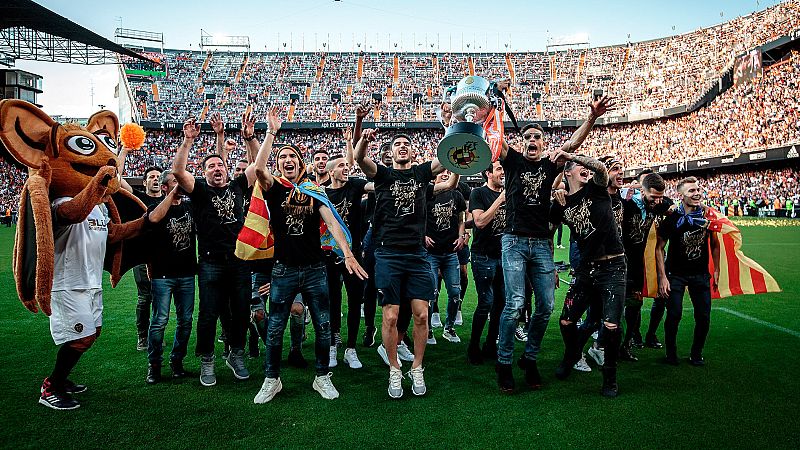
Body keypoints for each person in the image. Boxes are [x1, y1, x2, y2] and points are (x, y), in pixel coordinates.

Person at [495, 95, 615, 393]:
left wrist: (592, 118)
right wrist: (492, 111)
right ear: (521, 142)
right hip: (514, 241)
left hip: (542, 244)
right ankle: (504, 362)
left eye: (537, 136)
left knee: (546, 305)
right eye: (527, 137)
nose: (532, 140)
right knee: (514, 304)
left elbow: (572, 145)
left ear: (543, 142)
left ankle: (530, 358)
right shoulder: (511, 160)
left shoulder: (551, 164)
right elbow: (495, 139)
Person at [252, 106, 367, 403]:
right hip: (284, 269)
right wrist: (271, 133)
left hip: (315, 268)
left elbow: (331, 221)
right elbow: (259, 169)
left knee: (324, 324)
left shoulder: (314, 190)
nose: (287, 160)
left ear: (301, 164)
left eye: (292, 157)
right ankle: (271, 378)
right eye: (282, 158)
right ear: (279, 166)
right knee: (276, 327)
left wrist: (348, 253)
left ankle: (321, 377)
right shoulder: (274, 188)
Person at [353, 129, 457, 399]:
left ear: (412, 152)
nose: (402, 147)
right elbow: (359, 158)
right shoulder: (384, 176)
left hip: (417, 255)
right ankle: (395, 370)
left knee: (422, 314)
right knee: (390, 316)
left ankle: (418, 367)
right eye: (397, 144)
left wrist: (453, 129)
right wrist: (363, 136)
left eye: (406, 144)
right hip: (387, 254)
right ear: (390, 153)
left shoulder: (422, 174)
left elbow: (447, 160)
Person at [172, 116, 256, 387]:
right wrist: (188, 141)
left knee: (242, 311)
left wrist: (249, 138)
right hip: (210, 263)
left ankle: (236, 353)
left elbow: (258, 165)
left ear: (227, 169)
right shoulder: (199, 191)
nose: (216, 168)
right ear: (204, 172)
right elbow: (177, 171)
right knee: (208, 313)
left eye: (220, 164)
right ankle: (207, 360)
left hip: (240, 261)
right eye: (211, 166)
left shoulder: (238, 186)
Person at [550, 152, 626, 397]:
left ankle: (610, 376)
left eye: (586, 166)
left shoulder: (596, 188)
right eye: (578, 167)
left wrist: (573, 155)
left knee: (611, 325)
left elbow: (601, 169)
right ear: (567, 173)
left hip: (613, 266)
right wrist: (555, 193)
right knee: (566, 321)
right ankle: (572, 355)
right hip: (586, 268)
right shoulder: (561, 203)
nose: (585, 169)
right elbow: (547, 230)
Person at [656, 177, 720, 366]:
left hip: (700, 274)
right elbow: (659, 247)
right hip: (675, 274)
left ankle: (696, 353)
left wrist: (716, 269)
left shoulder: (708, 215)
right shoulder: (673, 218)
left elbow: (715, 244)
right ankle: (671, 352)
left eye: (698, 189)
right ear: (681, 195)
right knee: (674, 314)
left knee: (704, 316)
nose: (697, 193)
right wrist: (662, 277)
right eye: (691, 191)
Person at [144, 170, 197, 384]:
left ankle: (177, 361)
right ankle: (154, 364)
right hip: (162, 275)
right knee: (160, 321)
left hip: (186, 273)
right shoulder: (155, 208)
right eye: (175, 182)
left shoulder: (189, 207)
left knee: (185, 321)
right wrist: (172, 194)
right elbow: (155, 218)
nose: (180, 185)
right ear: (165, 187)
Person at [324, 153, 374, 369]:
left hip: (353, 254)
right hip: (329, 256)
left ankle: (351, 349)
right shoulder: (322, 194)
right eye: (341, 166)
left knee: (355, 300)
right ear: (330, 172)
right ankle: (333, 345)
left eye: (347, 165)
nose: (346, 168)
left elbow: (374, 186)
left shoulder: (355, 185)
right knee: (333, 301)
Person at [619, 172, 673, 361]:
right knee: (613, 307)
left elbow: (674, 208)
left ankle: (625, 345)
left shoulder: (658, 204)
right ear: (642, 190)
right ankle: (603, 345)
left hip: (637, 265)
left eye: (660, 197)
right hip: (618, 262)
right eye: (653, 197)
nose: (656, 201)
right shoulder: (626, 203)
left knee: (634, 305)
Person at [467, 160, 506, 364]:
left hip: (505, 256)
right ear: (488, 173)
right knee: (486, 302)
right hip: (484, 256)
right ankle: (473, 345)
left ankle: (491, 344)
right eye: (499, 169)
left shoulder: (509, 193)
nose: (503, 173)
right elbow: (480, 222)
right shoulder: (479, 194)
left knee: (501, 303)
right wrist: (500, 200)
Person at [424, 170, 466, 343]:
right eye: (441, 172)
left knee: (455, 292)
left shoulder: (456, 194)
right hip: (431, 253)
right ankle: (428, 329)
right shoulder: (428, 194)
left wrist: (461, 235)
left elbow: (461, 218)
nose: (444, 174)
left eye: (448, 172)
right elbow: (417, 217)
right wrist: (423, 236)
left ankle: (449, 327)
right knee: (431, 293)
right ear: (434, 176)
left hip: (450, 252)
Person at [132, 167, 163, 351]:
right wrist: (126, 149)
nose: (155, 179)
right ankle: (142, 336)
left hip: (164, 255)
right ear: (144, 183)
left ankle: (156, 335)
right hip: (143, 256)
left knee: (161, 297)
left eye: (158, 176)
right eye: (151, 177)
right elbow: (118, 179)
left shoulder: (167, 199)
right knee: (145, 297)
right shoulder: (138, 199)